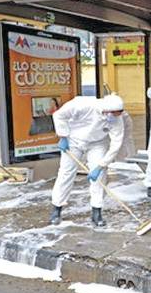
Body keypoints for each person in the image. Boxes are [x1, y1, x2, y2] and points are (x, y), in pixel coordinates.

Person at [49, 94, 125, 226]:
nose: (115, 118)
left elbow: (116, 144)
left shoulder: (117, 119)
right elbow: (59, 115)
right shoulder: (84, 104)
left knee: (99, 176)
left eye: (118, 115)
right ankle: (57, 208)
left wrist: (101, 166)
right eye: (114, 114)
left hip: (97, 143)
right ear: (107, 110)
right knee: (66, 173)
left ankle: (97, 211)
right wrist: (62, 136)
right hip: (73, 140)